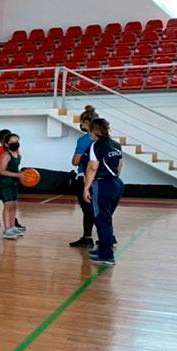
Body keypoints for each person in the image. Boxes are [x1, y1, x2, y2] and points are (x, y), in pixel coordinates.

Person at [84, 118, 124, 266]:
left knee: (102, 221)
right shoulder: (116, 144)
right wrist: (114, 179)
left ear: (93, 131)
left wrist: (86, 187)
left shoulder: (96, 145)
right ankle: (104, 249)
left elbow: (92, 168)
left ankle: (107, 256)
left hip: (102, 184)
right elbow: (120, 164)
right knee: (106, 219)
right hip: (117, 184)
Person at [69, 105, 99, 248]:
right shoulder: (106, 139)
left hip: (86, 177)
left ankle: (87, 237)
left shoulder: (84, 140)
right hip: (103, 178)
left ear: (86, 123)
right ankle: (108, 236)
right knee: (100, 209)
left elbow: (75, 161)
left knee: (88, 210)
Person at [0, 133, 25, 240]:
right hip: (5, 183)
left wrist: (22, 175)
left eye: (17, 141)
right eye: (12, 142)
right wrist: (17, 175)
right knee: (8, 206)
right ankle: (7, 229)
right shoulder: (6, 155)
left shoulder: (18, 155)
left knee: (14, 205)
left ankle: (12, 227)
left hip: (14, 183)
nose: (16, 144)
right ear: (6, 144)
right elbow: (2, 171)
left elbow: (15, 169)